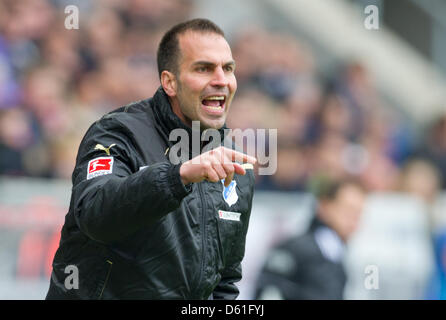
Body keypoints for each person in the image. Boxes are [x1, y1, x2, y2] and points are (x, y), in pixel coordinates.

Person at [46, 18, 257, 300]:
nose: (221, 80)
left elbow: (224, 282)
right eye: (204, 68)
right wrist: (177, 176)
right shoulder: (117, 133)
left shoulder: (235, 166)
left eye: (228, 68)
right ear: (170, 82)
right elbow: (95, 214)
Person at [254, 178, 365, 299]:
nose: (354, 220)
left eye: (358, 213)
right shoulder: (294, 248)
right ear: (324, 206)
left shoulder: (338, 254)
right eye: (348, 210)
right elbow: (269, 291)